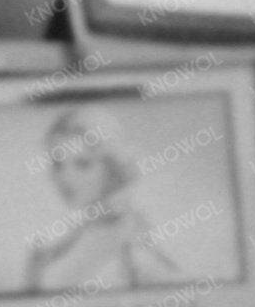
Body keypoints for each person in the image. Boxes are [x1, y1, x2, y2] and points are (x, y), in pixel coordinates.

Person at [20, 111, 185, 293]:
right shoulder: (66, 238)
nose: (65, 177)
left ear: (111, 167)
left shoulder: (133, 245)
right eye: (58, 164)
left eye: (83, 163)